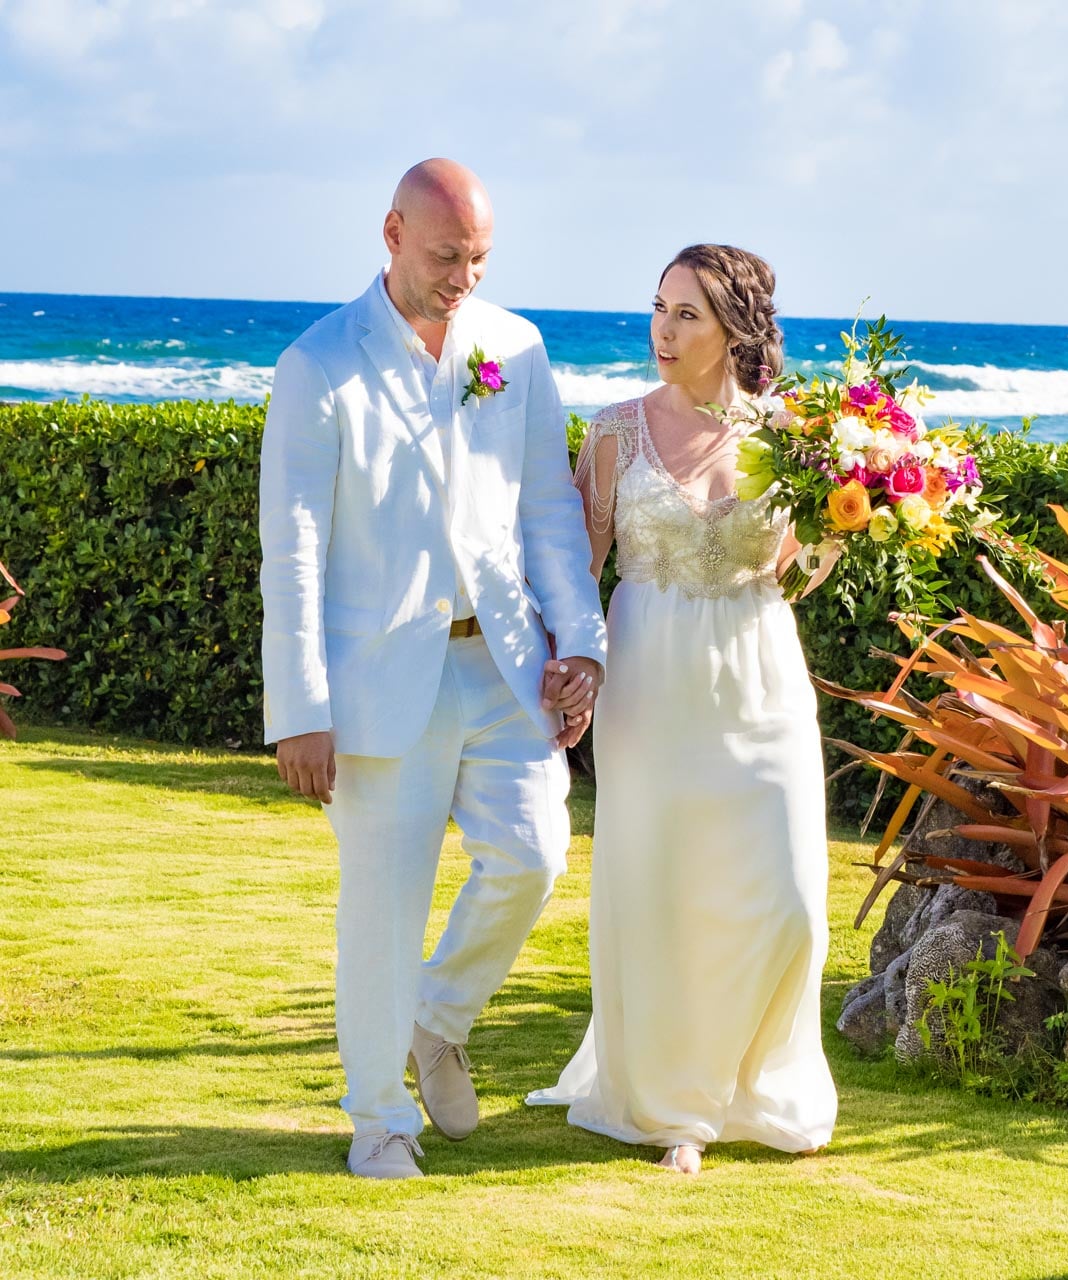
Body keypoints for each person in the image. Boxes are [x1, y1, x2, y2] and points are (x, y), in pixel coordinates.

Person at [259, 158, 606, 1179]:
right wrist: (301, 709)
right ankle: (379, 1120)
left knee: (536, 854)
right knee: (384, 905)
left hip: (505, 665)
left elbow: (547, 505)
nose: (465, 276)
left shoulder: (516, 347)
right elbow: (296, 549)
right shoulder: (318, 365)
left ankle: (437, 1015)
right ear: (393, 233)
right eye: (449, 255)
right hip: (373, 683)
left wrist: (577, 641)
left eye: (481, 258)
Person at [526, 244, 837, 1173]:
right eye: (658, 308)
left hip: (759, 670)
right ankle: (674, 1108)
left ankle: (755, 1085)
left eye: (687, 313)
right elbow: (574, 568)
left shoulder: (798, 437)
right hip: (650, 678)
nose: (663, 329)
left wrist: (855, 516)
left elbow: (809, 559)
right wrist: (567, 667)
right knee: (660, 890)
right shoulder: (614, 431)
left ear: (735, 327)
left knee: (786, 900)